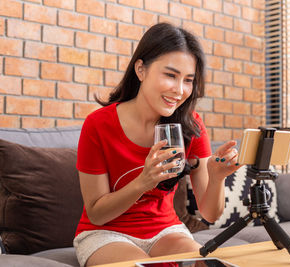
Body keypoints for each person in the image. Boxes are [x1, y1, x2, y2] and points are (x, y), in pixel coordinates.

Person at [73, 22, 241, 267]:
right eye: (171, 75)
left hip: (166, 231)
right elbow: (97, 214)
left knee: (215, 264)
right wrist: (145, 180)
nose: (180, 90)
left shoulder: (190, 125)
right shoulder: (98, 124)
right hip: (105, 233)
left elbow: (210, 214)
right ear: (141, 70)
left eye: (188, 80)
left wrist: (216, 178)